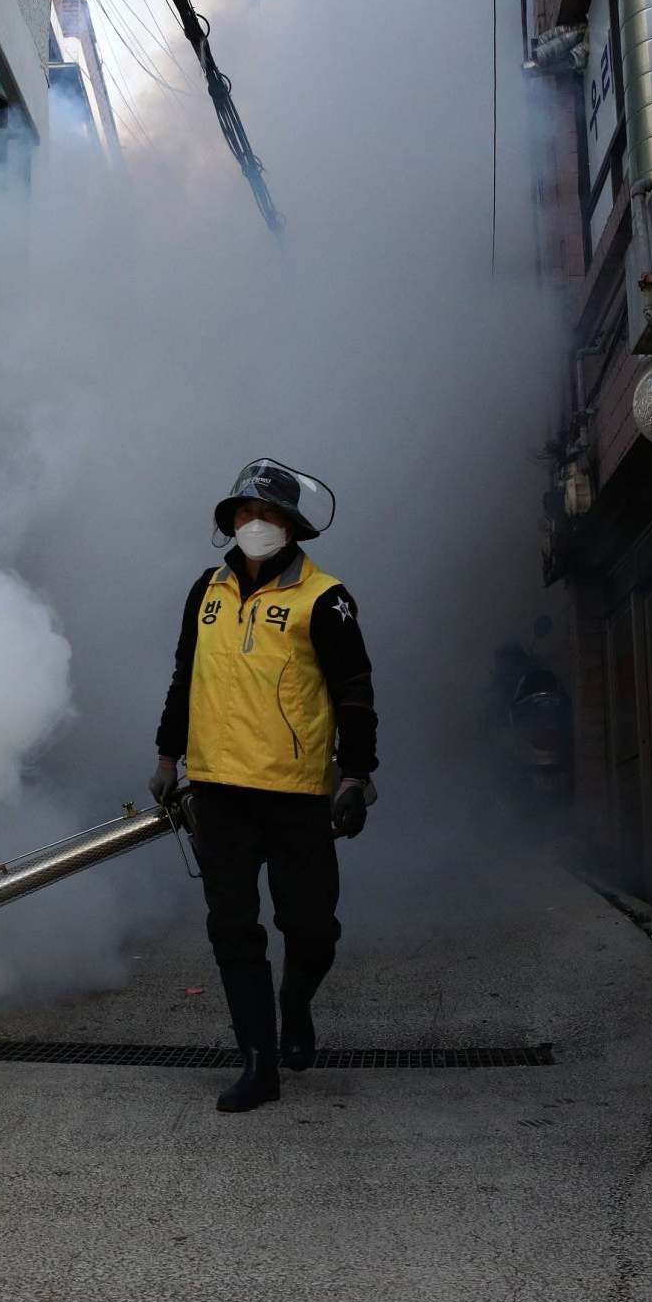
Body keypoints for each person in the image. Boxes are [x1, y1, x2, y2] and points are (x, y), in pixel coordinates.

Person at [151, 460, 377, 1114]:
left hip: (297, 793)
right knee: (232, 928)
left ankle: (295, 1003)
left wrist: (356, 775)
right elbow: (183, 676)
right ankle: (258, 1059)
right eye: (245, 514)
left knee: (312, 930)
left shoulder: (324, 597)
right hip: (218, 791)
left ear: (292, 526)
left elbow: (354, 693)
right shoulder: (207, 591)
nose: (255, 525)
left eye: (269, 515)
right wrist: (168, 757)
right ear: (231, 521)